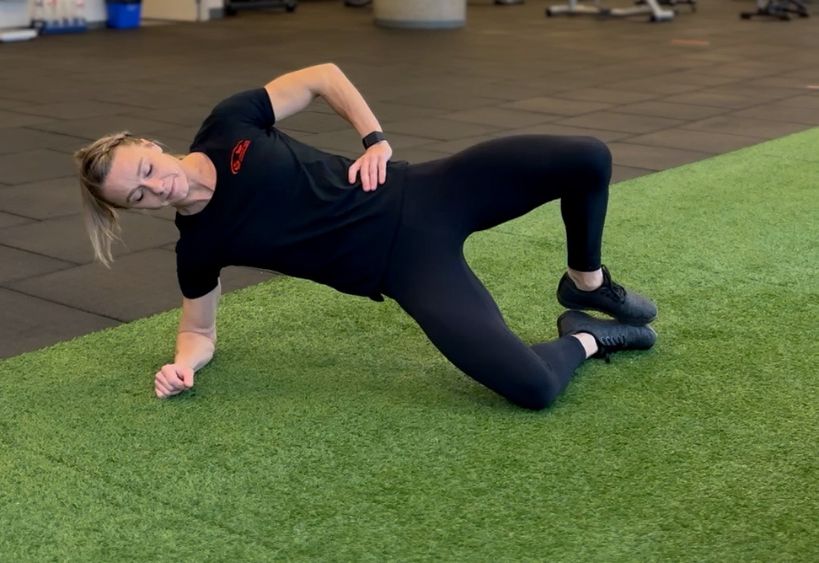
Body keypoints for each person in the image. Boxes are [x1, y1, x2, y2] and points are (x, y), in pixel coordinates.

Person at [74, 63, 657, 410]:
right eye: (139, 197)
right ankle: (586, 337)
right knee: (532, 387)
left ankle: (586, 284)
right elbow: (197, 330)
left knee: (585, 158)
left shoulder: (230, 126)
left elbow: (323, 77)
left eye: (147, 171)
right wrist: (185, 366)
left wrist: (374, 139)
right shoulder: (199, 247)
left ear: (149, 144)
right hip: (409, 270)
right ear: (136, 210)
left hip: (428, 191)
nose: (158, 188)